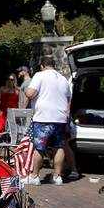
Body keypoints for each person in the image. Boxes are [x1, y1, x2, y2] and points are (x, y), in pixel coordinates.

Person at [23, 57, 72, 185]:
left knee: (39, 147)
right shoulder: (63, 79)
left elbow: (30, 93)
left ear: (42, 66)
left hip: (43, 118)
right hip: (60, 118)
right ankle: (57, 177)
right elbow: (68, 99)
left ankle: (34, 176)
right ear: (54, 65)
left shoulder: (40, 75)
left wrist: (29, 92)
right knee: (59, 147)